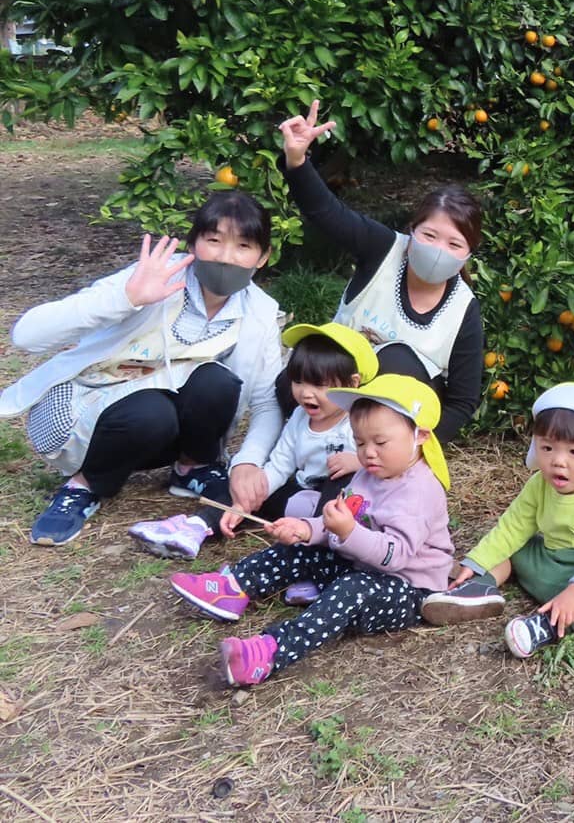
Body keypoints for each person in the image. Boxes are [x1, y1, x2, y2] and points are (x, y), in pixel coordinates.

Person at [3, 193, 284, 546]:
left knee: (218, 382)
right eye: (214, 241)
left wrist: (248, 462)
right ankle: (85, 484)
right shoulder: (153, 280)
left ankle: (191, 467)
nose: (227, 257)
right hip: (99, 416)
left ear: (263, 257)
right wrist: (126, 299)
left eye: (243, 245)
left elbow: (265, 400)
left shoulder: (258, 312)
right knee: (153, 413)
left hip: (164, 423)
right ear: (193, 243)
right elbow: (27, 335)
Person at [168, 375, 454, 687]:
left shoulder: (419, 491)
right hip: (360, 562)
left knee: (352, 590)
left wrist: (347, 532)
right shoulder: (369, 473)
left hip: (407, 588)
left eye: (380, 443)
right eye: (360, 442)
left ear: (420, 436)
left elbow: (394, 556)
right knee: (302, 550)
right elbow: (339, 519)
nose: (368, 452)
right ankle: (233, 587)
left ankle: (270, 652)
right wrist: (306, 529)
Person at [275, 101, 484, 472]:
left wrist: (417, 448)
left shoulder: (463, 309)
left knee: (396, 359)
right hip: (335, 390)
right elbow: (327, 213)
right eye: (429, 235)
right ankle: (302, 451)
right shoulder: (383, 249)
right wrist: (297, 161)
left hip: (391, 424)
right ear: (411, 231)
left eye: (454, 245)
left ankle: (362, 459)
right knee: (293, 377)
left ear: (468, 255)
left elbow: (462, 402)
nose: (438, 252)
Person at [419, 383, 574, 659]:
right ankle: (478, 588)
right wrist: (477, 562)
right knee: (513, 544)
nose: (558, 461)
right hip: (550, 564)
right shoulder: (538, 484)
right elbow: (513, 526)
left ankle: (556, 621)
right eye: (547, 448)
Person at [128, 323, 376, 562]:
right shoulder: (300, 417)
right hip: (303, 497)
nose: (305, 393)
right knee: (247, 486)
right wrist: (245, 501)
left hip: (345, 510)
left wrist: (359, 461)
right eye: (298, 381)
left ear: (352, 383)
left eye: (319, 385)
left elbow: (392, 464)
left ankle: (318, 557)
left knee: (340, 480)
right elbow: (281, 464)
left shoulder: (359, 421)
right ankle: (199, 525)